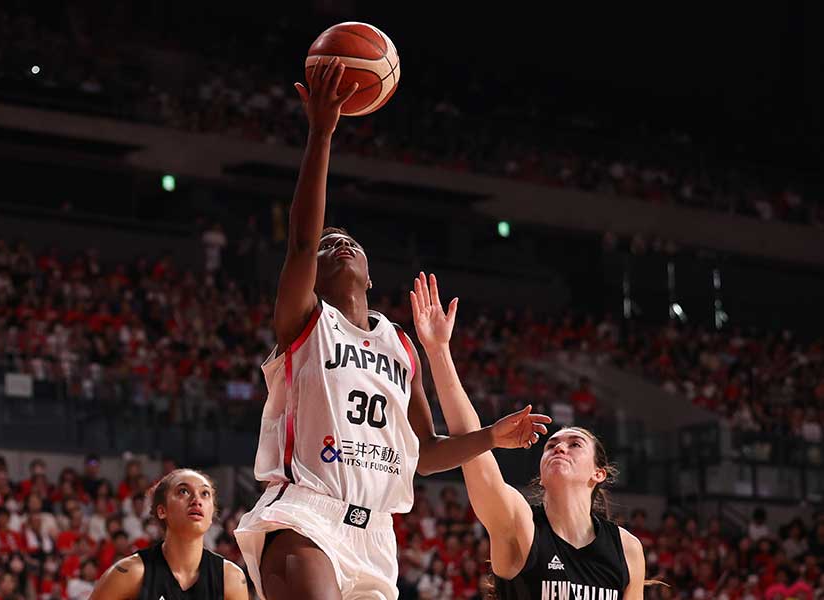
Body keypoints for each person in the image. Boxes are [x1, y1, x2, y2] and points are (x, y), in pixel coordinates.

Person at [234, 57, 538, 600]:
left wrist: (492, 436)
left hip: (376, 534)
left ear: (370, 274)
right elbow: (302, 240)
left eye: (347, 239)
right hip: (307, 514)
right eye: (328, 245)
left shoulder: (398, 345)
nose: (337, 243)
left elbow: (424, 453)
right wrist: (321, 133)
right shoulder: (305, 323)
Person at [409, 272, 647, 600]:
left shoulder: (627, 549)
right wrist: (438, 352)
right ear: (541, 473)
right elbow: (470, 445)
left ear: (598, 473)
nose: (559, 447)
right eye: (551, 445)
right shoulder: (520, 523)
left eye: (574, 444)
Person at [89, 469, 247, 599]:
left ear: (211, 514)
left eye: (205, 494)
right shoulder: (130, 572)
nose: (196, 500)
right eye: (183, 491)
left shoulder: (230, 578)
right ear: (162, 510)